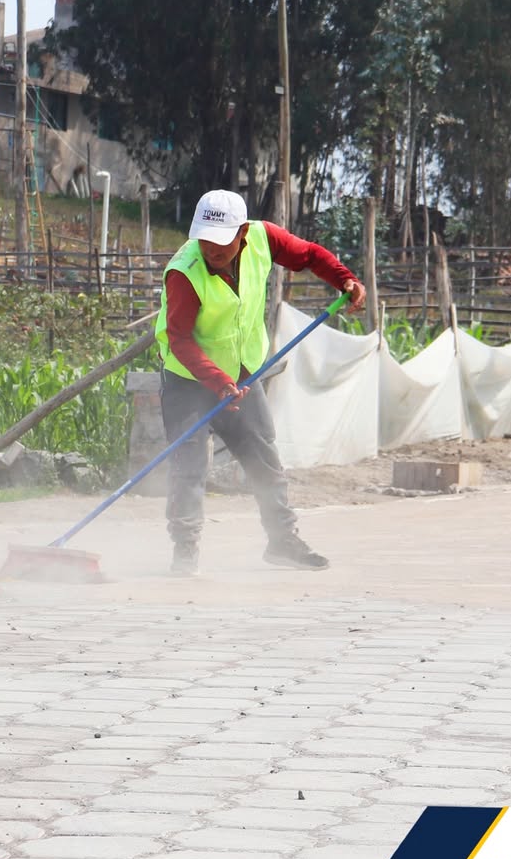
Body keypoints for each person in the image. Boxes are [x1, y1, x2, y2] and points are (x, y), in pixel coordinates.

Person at [155, 189, 367, 576]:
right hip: (188, 380)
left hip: (241, 373)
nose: (211, 250)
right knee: (188, 465)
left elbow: (308, 255)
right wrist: (217, 381)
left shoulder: (264, 239)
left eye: (221, 243)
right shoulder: (184, 272)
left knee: (263, 457)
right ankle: (184, 551)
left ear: (242, 235)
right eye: (204, 240)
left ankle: (282, 541)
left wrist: (345, 280)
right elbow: (179, 339)